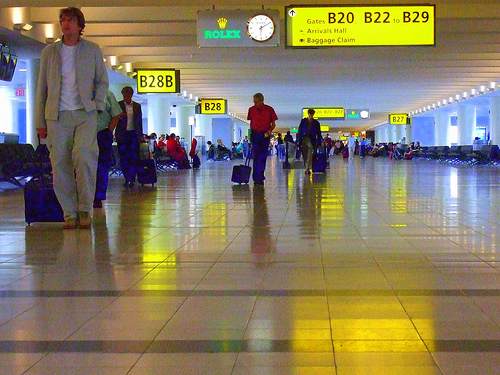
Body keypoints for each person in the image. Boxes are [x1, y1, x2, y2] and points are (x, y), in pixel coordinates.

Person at [35, 7, 109, 229]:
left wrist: (97, 105)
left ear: (80, 25)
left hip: (85, 114)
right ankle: (69, 212)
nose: (66, 24)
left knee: (85, 156)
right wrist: (40, 122)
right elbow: (42, 88)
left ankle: (85, 209)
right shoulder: (49, 53)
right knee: (60, 163)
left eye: (70, 20)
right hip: (57, 116)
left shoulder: (93, 51)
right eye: (63, 20)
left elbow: (102, 81)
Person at [94, 90, 121, 209]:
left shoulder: (108, 94)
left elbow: (116, 115)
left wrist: (109, 131)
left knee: (102, 167)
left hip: (102, 133)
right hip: (84, 133)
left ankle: (98, 197)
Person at [247, 93, 278, 186]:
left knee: (262, 156)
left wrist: (270, 130)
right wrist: (251, 137)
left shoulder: (269, 109)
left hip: (265, 135)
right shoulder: (251, 110)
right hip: (255, 134)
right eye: (254, 102)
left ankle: (260, 176)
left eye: (257, 102)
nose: (255, 104)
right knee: (256, 156)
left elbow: (273, 124)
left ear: (262, 101)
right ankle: (256, 176)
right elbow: (251, 123)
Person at [116, 86, 142, 188]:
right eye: (124, 95)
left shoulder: (137, 106)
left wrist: (140, 135)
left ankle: (132, 178)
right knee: (124, 158)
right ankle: (127, 178)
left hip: (133, 135)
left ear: (131, 95)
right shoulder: (118, 105)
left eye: (127, 95)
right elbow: (114, 118)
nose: (126, 97)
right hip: (123, 135)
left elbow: (139, 122)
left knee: (133, 157)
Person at [296, 108, 321, 175]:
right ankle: (306, 167)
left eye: (312, 114)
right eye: (310, 114)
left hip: (311, 139)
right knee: (304, 154)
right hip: (303, 139)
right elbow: (299, 131)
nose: (311, 116)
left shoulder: (316, 123)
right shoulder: (303, 121)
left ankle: (307, 169)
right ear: (308, 114)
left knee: (309, 153)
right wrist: (298, 140)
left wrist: (319, 143)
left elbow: (319, 133)